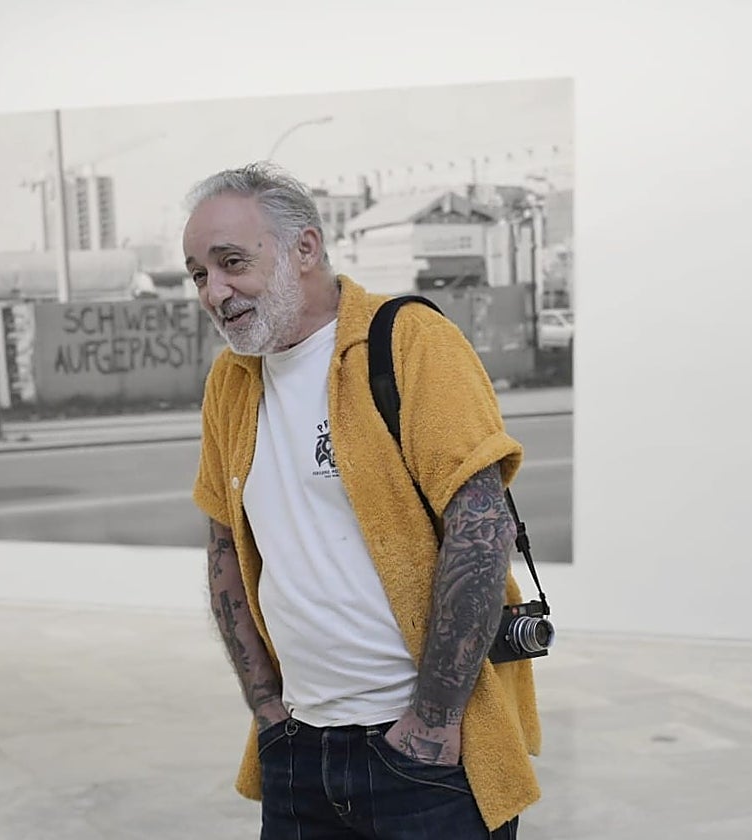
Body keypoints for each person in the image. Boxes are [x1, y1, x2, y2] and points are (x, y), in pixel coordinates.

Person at [185, 162, 542, 839]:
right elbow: (225, 546)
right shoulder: (231, 382)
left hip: (425, 762)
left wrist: (432, 724)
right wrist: (266, 710)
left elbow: (481, 531)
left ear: (306, 248)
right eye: (199, 274)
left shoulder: (410, 342)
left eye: (232, 262)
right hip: (298, 752)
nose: (215, 291)